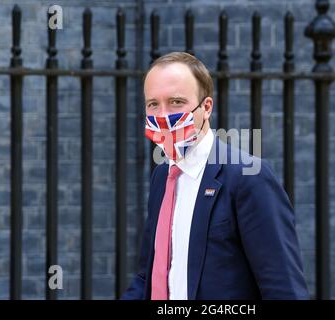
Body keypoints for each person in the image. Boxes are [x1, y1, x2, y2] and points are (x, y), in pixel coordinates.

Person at [122, 52, 309, 300]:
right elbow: (149, 277)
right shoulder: (162, 177)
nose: (163, 114)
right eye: (153, 104)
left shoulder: (248, 177)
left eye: (176, 102)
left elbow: (284, 289)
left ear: (206, 107)